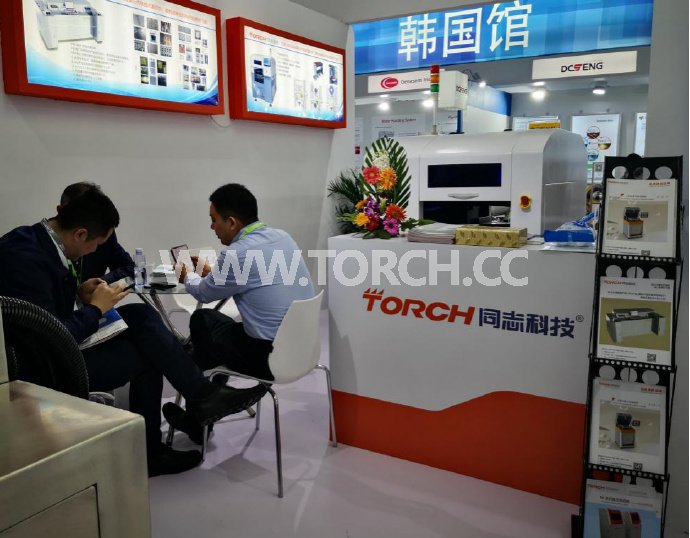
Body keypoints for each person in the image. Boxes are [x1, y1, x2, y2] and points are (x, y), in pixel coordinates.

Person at [0, 188, 267, 476]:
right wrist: (95, 309)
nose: (95, 252)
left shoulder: (39, 241)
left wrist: (80, 292)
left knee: (141, 315)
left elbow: (49, 309)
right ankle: (167, 437)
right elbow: (50, 338)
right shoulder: (25, 258)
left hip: (59, 344)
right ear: (80, 234)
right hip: (44, 367)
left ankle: (202, 398)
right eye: (96, 245)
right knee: (150, 354)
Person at [162, 183, 315, 444]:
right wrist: (214, 273)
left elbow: (203, 294)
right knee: (210, 344)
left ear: (231, 222)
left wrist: (187, 275)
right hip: (303, 348)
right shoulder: (282, 237)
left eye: (214, 220)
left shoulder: (237, 254)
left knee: (201, 321)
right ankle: (207, 406)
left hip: (267, 358)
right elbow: (254, 277)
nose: (212, 227)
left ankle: (205, 406)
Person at [58, 182, 135, 284]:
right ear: (61, 211)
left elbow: (129, 268)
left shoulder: (101, 233)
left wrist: (100, 282)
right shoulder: (46, 245)